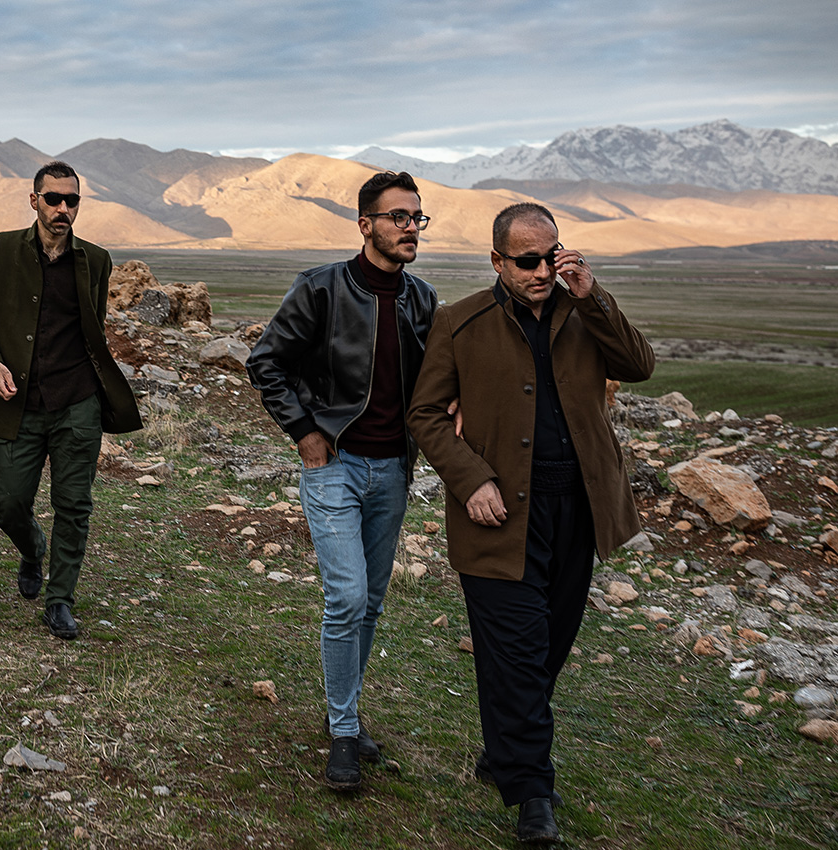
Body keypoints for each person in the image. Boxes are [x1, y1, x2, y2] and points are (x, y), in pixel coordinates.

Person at [408, 203, 654, 844]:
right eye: (528, 261)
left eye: (553, 255)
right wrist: (471, 479)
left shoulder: (584, 314)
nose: (545, 270)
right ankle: (532, 795)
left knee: (545, 648)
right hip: (497, 516)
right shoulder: (460, 323)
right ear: (497, 262)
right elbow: (428, 414)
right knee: (516, 652)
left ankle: (505, 748)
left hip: (577, 511)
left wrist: (593, 295)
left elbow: (639, 365)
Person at [246, 171, 438, 791]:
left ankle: (348, 718)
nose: (411, 227)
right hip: (335, 466)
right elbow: (266, 361)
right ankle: (343, 731)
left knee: (372, 604)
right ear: (366, 225)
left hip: (394, 471)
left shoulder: (422, 299)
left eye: (417, 217)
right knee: (347, 597)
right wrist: (305, 433)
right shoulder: (323, 288)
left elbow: (437, 379)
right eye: (398, 217)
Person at [0, 161, 141, 640]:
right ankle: (31, 549)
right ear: (34, 201)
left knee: (74, 505)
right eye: (53, 199)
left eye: (72, 201)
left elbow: (93, 326)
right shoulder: (2, 249)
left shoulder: (96, 260)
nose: (63, 209)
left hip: (77, 402)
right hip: (18, 401)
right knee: (8, 501)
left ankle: (60, 600)